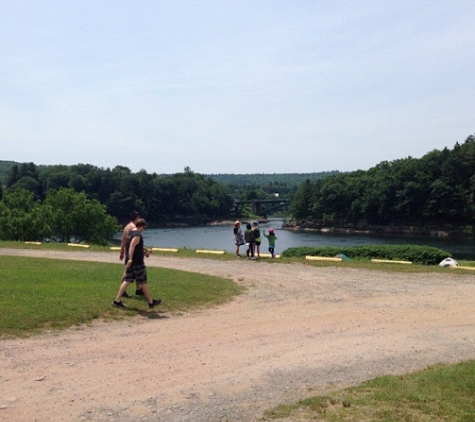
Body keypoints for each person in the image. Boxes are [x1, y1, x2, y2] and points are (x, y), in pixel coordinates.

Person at [112, 218, 162, 309]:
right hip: (136, 263)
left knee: (127, 280)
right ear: (142, 226)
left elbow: (136, 247)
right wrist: (131, 259)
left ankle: (117, 301)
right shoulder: (137, 235)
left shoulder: (130, 234)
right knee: (143, 281)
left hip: (130, 262)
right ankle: (151, 302)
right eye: (144, 228)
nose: (143, 230)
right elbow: (132, 247)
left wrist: (144, 252)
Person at [119, 211, 143, 297]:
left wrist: (122, 252)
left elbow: (123, 240)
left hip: (127, 251)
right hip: (132, 252)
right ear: (136, 218)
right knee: (128, 271)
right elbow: (136, 242)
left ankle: (139, 289)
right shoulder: (134, 228)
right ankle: (123, 291)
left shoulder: (126, 227)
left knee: (134, 271)